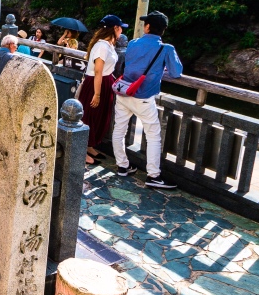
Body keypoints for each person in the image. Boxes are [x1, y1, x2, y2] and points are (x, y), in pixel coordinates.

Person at [112, 11, 183, 189]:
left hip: (124, 92)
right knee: (153, 136)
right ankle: (153, 175)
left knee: (119, 129)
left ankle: (122, 166)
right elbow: (176, 73)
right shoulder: (166, 48)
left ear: (148, 26)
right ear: (163, 30)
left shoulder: (134, 43)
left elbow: (127, 63)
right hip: (143, 97)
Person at [78, 16, 126, 166]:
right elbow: (98, 71)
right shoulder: (102, 46)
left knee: (99, 117)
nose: (122, 30)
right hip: (96, 84)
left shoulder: (108, 45)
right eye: (120, 27)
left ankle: (89, 146)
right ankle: (81, 151)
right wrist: (96, 94)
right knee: (90, 115)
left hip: (104, 82)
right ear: (116, 28)